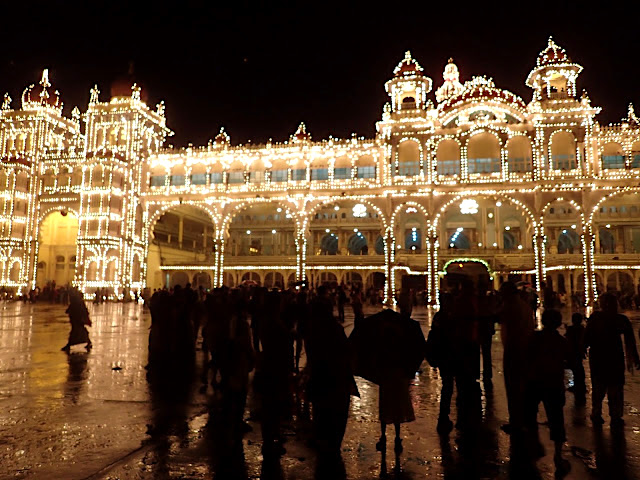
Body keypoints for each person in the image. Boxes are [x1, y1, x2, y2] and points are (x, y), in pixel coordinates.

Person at [305, 287, 358, 458]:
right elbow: (346, 351)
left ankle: (323, 444)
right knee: (336, 415)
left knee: (321, 412)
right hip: (336, 378)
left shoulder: (312, 328)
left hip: (319, 377)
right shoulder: (334, 328)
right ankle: (332, 447)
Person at [375, 291, 421, 454]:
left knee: (386, 403)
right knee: (398, 404)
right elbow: (417, 349)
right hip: (399, 370)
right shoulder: (410, 326)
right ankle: (397, 436)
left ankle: (382, 436)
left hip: (386, 369)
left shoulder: (388, 324)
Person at [584, 293, 640, 427]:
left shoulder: (596, 318)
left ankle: (597, 412)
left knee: (599, 386)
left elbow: (587, 337)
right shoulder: (620, 319)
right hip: (615, 355)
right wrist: (635, 358)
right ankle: (615, 414)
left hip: (598, 356)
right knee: (615, 387)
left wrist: (581, 349)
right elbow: (630, 341)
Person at [524, 309, 569, 470]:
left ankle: (533, 445)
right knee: (556, 418)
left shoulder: (535, 338)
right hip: (553, 383)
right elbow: (569, 359)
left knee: (530, 414)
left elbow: (526, 357)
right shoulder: (560, 341)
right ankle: (558, 455)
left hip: (534, 381)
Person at [498, 281, 534, 434]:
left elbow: (499, 318)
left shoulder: (511, 306)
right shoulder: (524, 305)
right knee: (522, 385)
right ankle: (525, 419)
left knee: (513, 386)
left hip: (514, 348)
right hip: (525, 347)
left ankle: (516, 421)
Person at [565, 312, 586, 405]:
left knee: (576, 369)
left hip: (573, 352)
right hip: (579, 351)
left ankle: (578, 386)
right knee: (578, 368)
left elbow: (568, 338)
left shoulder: (571, 329)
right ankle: (580, 386)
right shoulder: (582, 328)